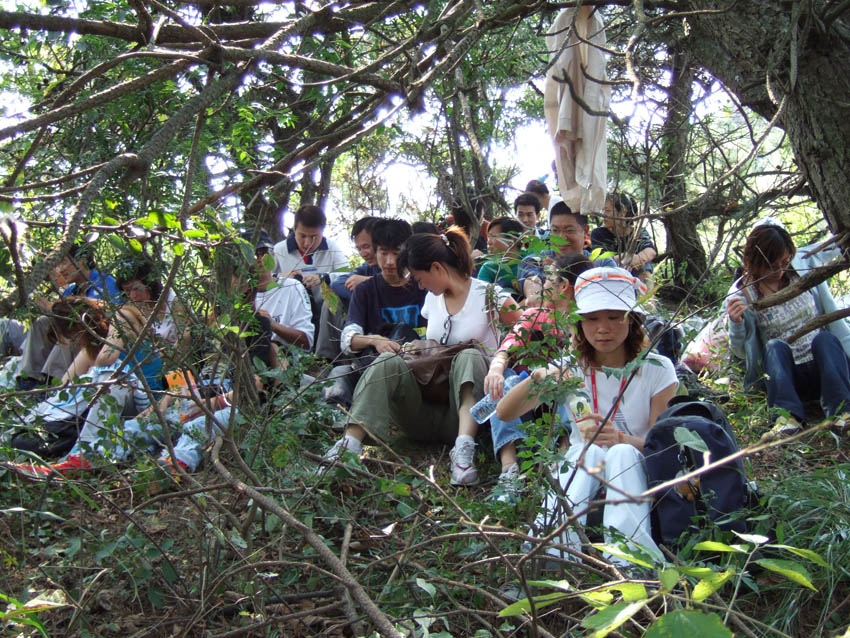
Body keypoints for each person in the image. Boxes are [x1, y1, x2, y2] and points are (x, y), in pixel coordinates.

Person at [498, 267, 678, 563]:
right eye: (592, 318)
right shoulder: (571, 367)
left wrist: (621, 439)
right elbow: (505, 412)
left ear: (632, 320)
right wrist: (540, 377)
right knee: (588, 451)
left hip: (641, 483)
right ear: (579, 323)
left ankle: (631, 561)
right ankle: (551, 554)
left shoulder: (657, 369)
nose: (603, 328)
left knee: (621, 453)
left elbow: (662, 447)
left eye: (614, 317)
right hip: (585, 481)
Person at [319, 227, 520, 485]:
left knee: (469, 355)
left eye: (419, 277)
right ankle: (348, 446)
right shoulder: (431, 300)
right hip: (422, 408)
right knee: (387, 360)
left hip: (465, 412)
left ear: (436, 268)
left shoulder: (490, 295)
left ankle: (464, 452)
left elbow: (525, 330)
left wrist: (500, 362)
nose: (419, 285)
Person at [726, 222, 850, 438]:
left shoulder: (800, 268)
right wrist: (735, 324)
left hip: (825, 368)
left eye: (784, 262)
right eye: (772, 266)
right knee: (774, 346)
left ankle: (842, 412)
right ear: (754, 263)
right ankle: (786, 418)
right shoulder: (742, 295)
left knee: (825, 339)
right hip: (787, 376)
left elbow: (832, 248)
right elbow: (741, 352)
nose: (780, 271)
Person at [485, 254, 592, 502]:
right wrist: (496, 368)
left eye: (548, 280)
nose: (543, 285)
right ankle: (509, 467)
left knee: (570, 382)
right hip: (526, 398)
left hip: (563, 401)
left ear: (563, 286)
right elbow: (507, 347)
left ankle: (562, 459)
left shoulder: (586, 323)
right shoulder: (535, 315)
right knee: (506, 381)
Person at [323, 219, 427, 408]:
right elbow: (348, 339)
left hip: (418, 370)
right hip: (372, 370)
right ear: (375, 252)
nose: (390, 261)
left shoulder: (423, 285)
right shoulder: (365, 290)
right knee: (338, 375)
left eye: (396, 253)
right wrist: (374, 340)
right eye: (383, 253)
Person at [17, 244, 121, 390]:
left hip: (97, 342)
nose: (60, 269)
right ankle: (28, 379)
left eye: (64, 262)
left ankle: (51, 383)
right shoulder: (71, 291)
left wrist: (52, 307)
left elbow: (100, 319)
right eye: (58, 265)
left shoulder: (105, 283)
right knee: (43, 323)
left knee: (70, 327)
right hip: (78, 341)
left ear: (82, 260)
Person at [519, 200, 616, 301]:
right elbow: (531, 279)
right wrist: (534, 295)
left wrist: (560, 269)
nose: (561, 238)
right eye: (555, 230)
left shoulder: (603, 263)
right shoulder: (536, 260)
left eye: (569, 231)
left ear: (585, 231)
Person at [317, 216, 381, 359]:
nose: (363, 253)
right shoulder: (367, 267)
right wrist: (362, 296)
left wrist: (369, 282)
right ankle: (325, 359)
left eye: (366, 246)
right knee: (331, 300)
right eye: (359, 249)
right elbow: (338, 284)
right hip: (364, 320)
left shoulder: (396, 264)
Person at [247, 230, 314, 352]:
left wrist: (271, 324)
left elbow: (307, 341)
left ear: (273, 255)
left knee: (273, 347)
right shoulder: (241, 293)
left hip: (285, 355)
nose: (260, 259)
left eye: (265, 253)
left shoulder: (292, 286)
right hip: (248, 354)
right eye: (254, 254)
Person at [273, 203, 348, 303]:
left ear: (322, 232)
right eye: (302, 236)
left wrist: (323, 278)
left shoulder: (332, 248)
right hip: (289, 305)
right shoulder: (279, 250)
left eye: (314, 237)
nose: (307, 243)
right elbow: (262, 280)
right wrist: (280, 278)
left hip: (325, 307)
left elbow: (347, 275)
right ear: (294, 229)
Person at [591, 192, 657, 282]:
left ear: (622, 212)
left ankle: (646, 291)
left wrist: (637, 259)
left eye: (607, 210)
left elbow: (651, 251)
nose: (603, 214)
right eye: (603, 210)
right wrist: (625, 257)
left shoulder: (637, 232)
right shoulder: (598, 233)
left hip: (634, 273)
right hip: (608, 276)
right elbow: (599, 260)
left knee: (645, 265)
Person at [476, 216, 525, 297]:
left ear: (510, 240)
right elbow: (481, 298)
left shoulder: (530, 260)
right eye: (488, 237)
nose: (488, 242)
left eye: (493, 236)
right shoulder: (489, 268)